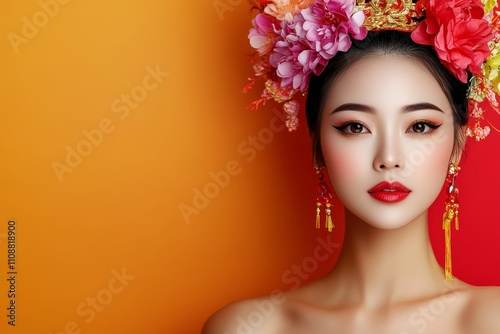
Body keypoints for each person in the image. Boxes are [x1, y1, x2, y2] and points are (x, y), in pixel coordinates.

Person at [203, 0, 500, 332]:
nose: (389, 158)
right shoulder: (251, 327)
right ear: (317, 144)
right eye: (355, 127)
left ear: (458, 143)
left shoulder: (490, 319)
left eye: (419, 126)